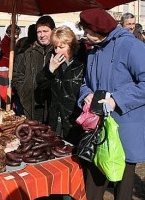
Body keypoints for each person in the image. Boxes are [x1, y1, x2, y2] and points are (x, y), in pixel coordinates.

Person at [77, 8, 145, 199]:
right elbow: (86, 83)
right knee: (93, 187)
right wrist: (86, 95)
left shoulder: (132, 46)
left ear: (98, 29)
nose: (85, 36)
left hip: (124, 132)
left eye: (87, 31)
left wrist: (117, 100)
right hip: (98, 131)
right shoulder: (94, 50)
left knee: (123, 190)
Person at [36, 26, 86, 145]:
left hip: (73, 121)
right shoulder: (54, 62)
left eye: (62, 47)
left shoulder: (82, 64)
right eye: (55, 47)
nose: (57, 51)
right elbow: (40, 84)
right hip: (54, 119)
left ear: (71, 46)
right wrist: (50, 70)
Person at [12, 16, 55, 122]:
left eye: (45, 31)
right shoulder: (27, 53)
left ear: (53, 31)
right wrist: (25, 91)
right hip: (30, 105)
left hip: (51, 105)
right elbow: (17, 76)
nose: (42, 35)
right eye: (39, 31)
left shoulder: (58, 51)